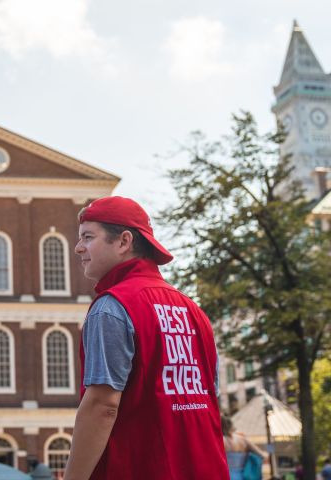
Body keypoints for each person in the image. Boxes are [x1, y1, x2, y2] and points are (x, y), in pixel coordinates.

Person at [64, 196, 228, 480]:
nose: (78, 248)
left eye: (88, 237)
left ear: (124, 241)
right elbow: (209, 399)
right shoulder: (193, 311)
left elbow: (102, 406)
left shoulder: (112, 308)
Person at [221, 414, 267, 480]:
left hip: (226, 476)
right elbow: (263, 455)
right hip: (243, 476)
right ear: (231, 425)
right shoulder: (243, 440)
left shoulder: (221, 441)